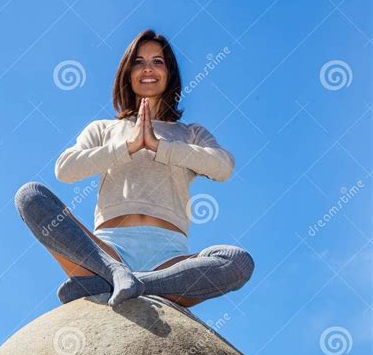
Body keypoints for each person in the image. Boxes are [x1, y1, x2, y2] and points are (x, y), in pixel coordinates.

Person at [14, 29, 255, 308]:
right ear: (127, 73)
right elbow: (65, 169)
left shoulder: (189, 133)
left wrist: (159, 147)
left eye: (157, 61)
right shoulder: (104, 128)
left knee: (237, 262)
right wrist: (127, 147)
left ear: (170, 73)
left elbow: (222, 166)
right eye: (138, 62)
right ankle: (114, 271)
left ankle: (135, 282)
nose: (148, 69)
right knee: (29, 195)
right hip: (104, 250)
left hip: (169, 259)